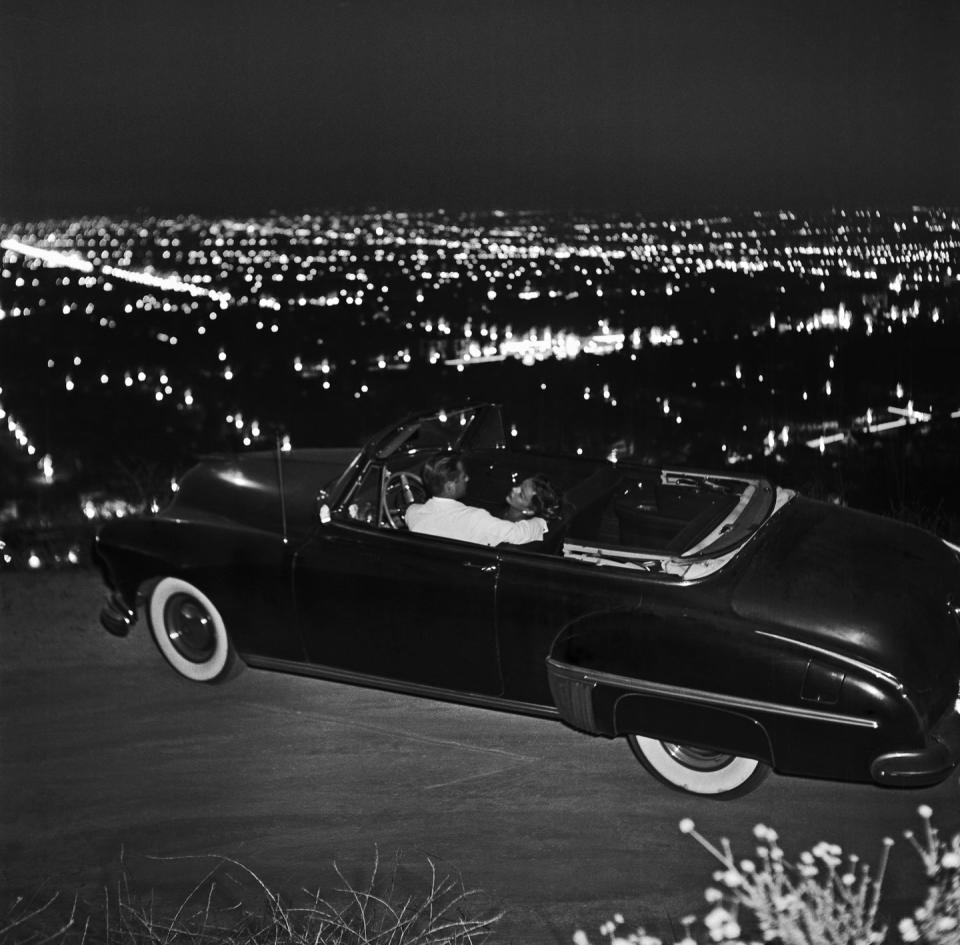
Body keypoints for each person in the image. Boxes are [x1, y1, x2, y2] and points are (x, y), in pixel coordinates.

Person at [405, 453, 547, 546]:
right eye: (463, 477)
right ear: (450, 487)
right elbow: (518, 534)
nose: (467, 478)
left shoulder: (412, 513)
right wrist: (542, 521)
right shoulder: (476, 519)